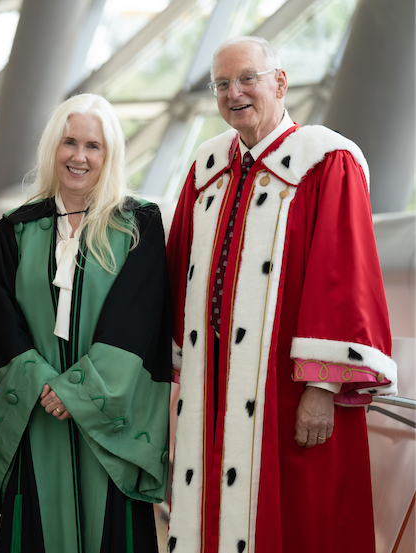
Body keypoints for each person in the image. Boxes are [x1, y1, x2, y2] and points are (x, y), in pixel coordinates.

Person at [166, 36, 398, 553]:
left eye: (247, 78)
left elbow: (344, 280)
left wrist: (321, 389)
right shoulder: (207, 169)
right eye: (222, 84)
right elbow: (177, 267)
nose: (235, 93)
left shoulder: (325, 162)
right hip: (214, 386)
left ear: (280, 81)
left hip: (288, 392)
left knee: (294, 520)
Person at [0, 93, 171, 553]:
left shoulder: (137, 225)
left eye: (93, 146)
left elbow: (138, 319)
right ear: (53, 148)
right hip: (35, 408)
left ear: (111, 154)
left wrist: (77, 392)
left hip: (108, 416)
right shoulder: (15, 229)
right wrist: (44, 384)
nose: (79, 157)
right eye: (69, 143)